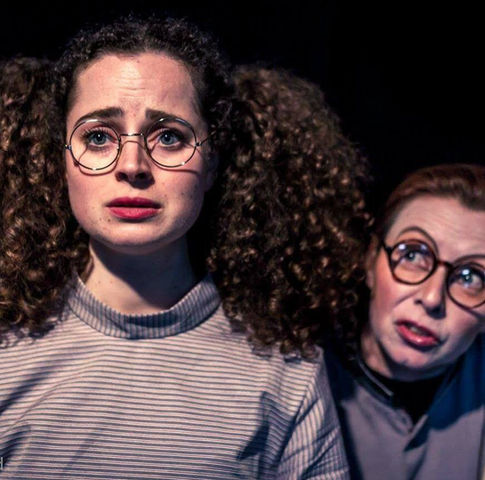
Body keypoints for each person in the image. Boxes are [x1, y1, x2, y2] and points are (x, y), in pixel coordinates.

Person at [0, 17, 370, 479]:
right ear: (61, 159)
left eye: (169, 137)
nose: (132, 165)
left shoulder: (286, 370)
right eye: (98, 137)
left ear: (212, 164)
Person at [324, 163, 485, 479]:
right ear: (370, 260)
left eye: (470, 277)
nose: (432, 298)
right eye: (413, 255)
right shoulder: (300, 374)